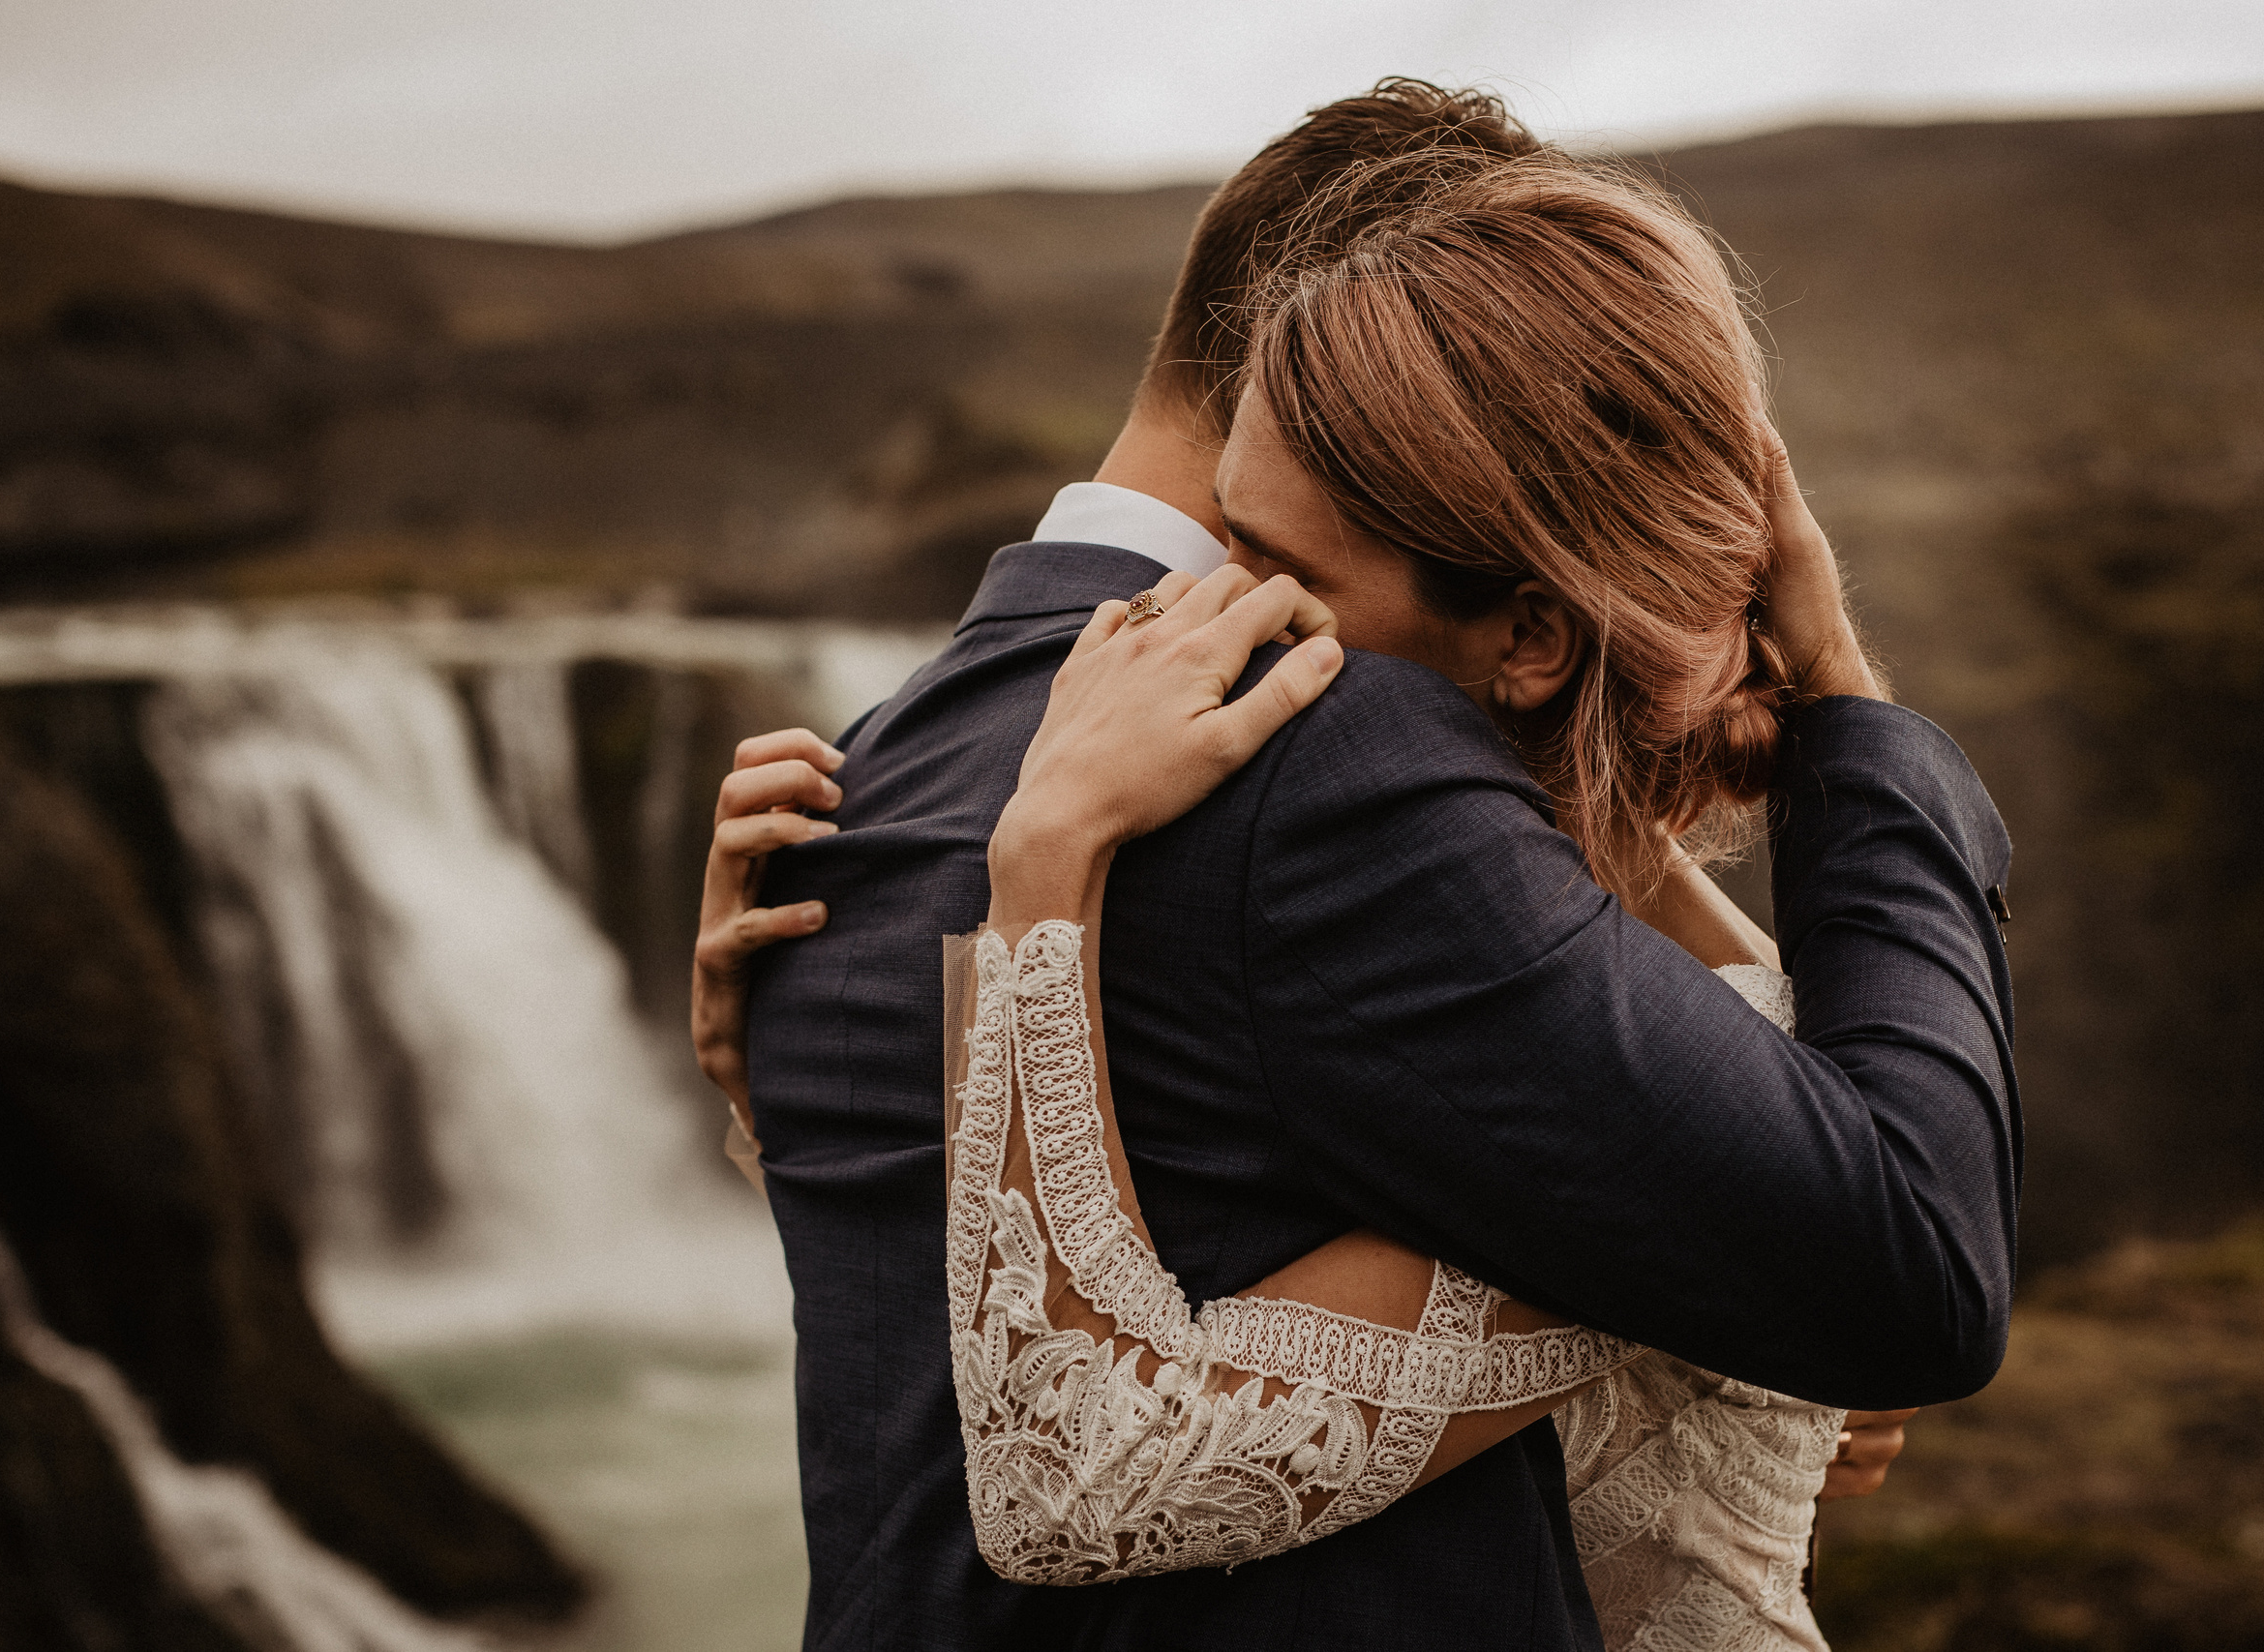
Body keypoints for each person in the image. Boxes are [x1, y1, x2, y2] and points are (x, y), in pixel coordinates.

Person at [695, 84, 2004, 1652]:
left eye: (1277, 560)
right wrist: (1847, 702)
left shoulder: (860, 775)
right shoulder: (1329, 752)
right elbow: (1888, 1251)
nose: (1232, 601)